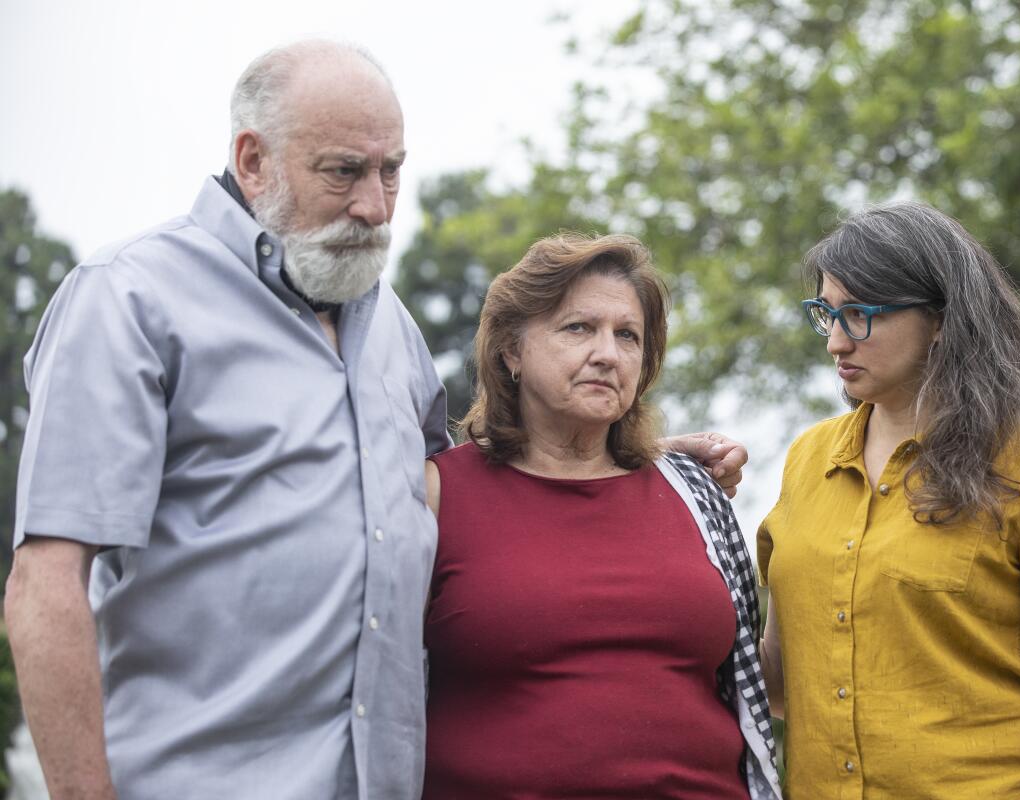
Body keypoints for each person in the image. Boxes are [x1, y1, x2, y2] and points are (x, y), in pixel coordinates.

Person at [3, 40, 747, 800]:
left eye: (391, 170)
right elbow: (46, 583)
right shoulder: (128, 301)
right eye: (343, 172)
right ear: (252, 160)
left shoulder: (389, 327)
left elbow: (468, 491)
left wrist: (642, 472)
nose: (375, 205)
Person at [758, 202, 1020, 799]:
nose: (837, 344)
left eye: (861, 315)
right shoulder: (807, 460)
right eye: (826, 315)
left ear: (943, 318)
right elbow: (782, 682)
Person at [421, 233, 781, 799]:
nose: (608, 354)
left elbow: (746, 684)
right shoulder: (436, 494)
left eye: (628, 336)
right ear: (511, 351)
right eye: (578, 328)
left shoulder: (695, 493)